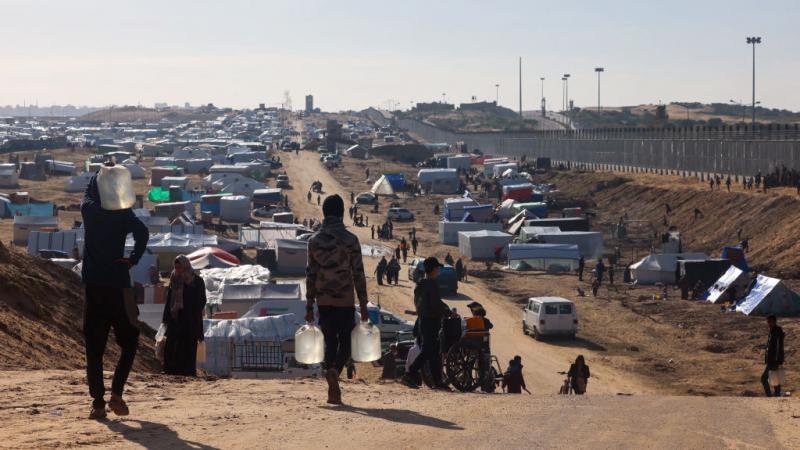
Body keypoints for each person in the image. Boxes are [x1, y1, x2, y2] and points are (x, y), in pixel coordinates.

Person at [81, 167, 149, 420]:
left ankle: (98, 403)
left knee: (94, 349)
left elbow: (88, 193)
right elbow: (143, 233)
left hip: (94, 288)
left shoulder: (89, 210)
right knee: (130, 342)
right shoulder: (122, 213)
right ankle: (117, 392)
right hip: (118, 287)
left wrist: (97, 176)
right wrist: (132, 259)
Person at [305, 194, 369, 405]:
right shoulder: (350, 240)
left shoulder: (314, 241)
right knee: (347, 342)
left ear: (324, 213)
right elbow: (358, 273)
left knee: (330, 341)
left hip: (323, 300)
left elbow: (311, 274)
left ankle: (332, 384)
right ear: (342, 213)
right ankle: (335, 371)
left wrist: (309, 304)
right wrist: (363, 303)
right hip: (344, 299)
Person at [402, 257, 450, 390]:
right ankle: (410, 373)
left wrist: (445, 309)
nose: (439, 270)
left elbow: (425, 304)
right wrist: (447, 312)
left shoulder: (420, 284)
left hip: (423, 321)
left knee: (434, 353)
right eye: (438, 268)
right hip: (431, 321)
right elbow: (435, 304)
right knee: (428, 350)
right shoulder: (432, 284)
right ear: (433, 269)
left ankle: (438, 381)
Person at [161, 255, 207, 377]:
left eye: (179, 267)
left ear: (185, 266)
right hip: (175, 318)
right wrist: (166, 318)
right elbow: (169, 300)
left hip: (190, 319)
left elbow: (202, 300)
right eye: (176, 267)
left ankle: (188, 371)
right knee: (172, 345)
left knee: (188, 345)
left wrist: (190, 309)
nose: (177, 269)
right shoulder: (174, 278)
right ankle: (170, 370)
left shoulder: (196, 281)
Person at [761, 315, 785, 397]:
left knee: (764, 378)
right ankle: (777, 395)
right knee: (775, 378)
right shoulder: (772, 331)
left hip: (774, 360)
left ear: (774, 322)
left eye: (769, 322)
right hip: (772, 360)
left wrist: (777, 361)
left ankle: (770, 396)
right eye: (767, 322)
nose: (768, 323)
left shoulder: (777, 332)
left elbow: (778, 347)